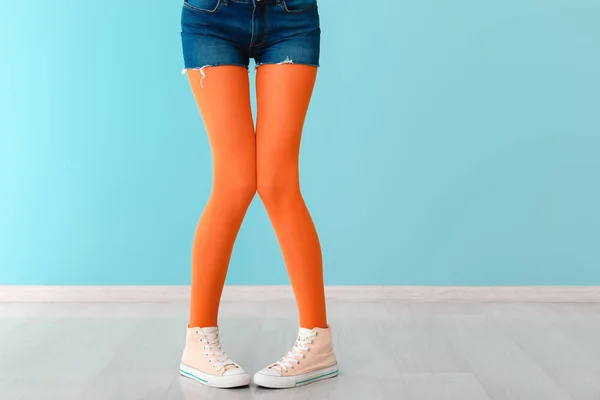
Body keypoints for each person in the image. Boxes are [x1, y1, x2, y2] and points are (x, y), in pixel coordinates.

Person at [178, 0, 339, 389]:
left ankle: (318, 342)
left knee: (278, 183)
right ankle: (199, 340)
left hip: (291, 15)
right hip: (210, 16)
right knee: (234, 183)